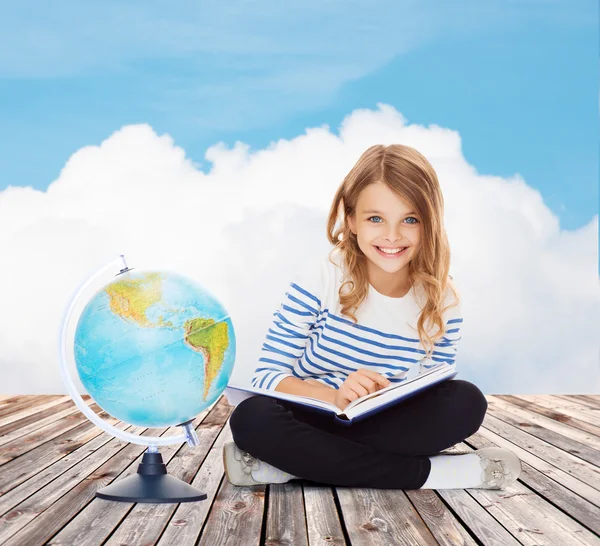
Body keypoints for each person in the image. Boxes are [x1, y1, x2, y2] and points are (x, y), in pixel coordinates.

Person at [223, 144, 522, 491]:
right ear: (351, 220)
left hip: (382, 424)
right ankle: (431, 475)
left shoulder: (444, 301)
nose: (392, 236)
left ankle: (289, 468)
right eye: (375, 218)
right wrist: (336, 397)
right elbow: (268, 377)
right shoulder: (321, 278)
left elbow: (432, 391)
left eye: (410, 219)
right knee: (252, 419)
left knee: (466, 402)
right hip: (315, 415)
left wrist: (387, 395)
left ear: (430, 224)